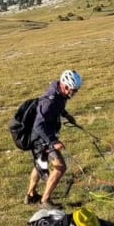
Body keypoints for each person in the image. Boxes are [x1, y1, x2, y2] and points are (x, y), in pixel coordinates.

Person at [24, 69, 82, 209]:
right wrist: (53, 142)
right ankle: (45, 201)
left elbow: (58, 108)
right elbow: (39, 125)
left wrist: (66, 115)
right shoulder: (50, 101)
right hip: (41, 139)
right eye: (72, 90)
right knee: (60, 167)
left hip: (44, 137)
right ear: (65, 85)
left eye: (75, 91)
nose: (73, 93)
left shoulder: (60, 94)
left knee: (39, 165)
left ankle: (30, 195)